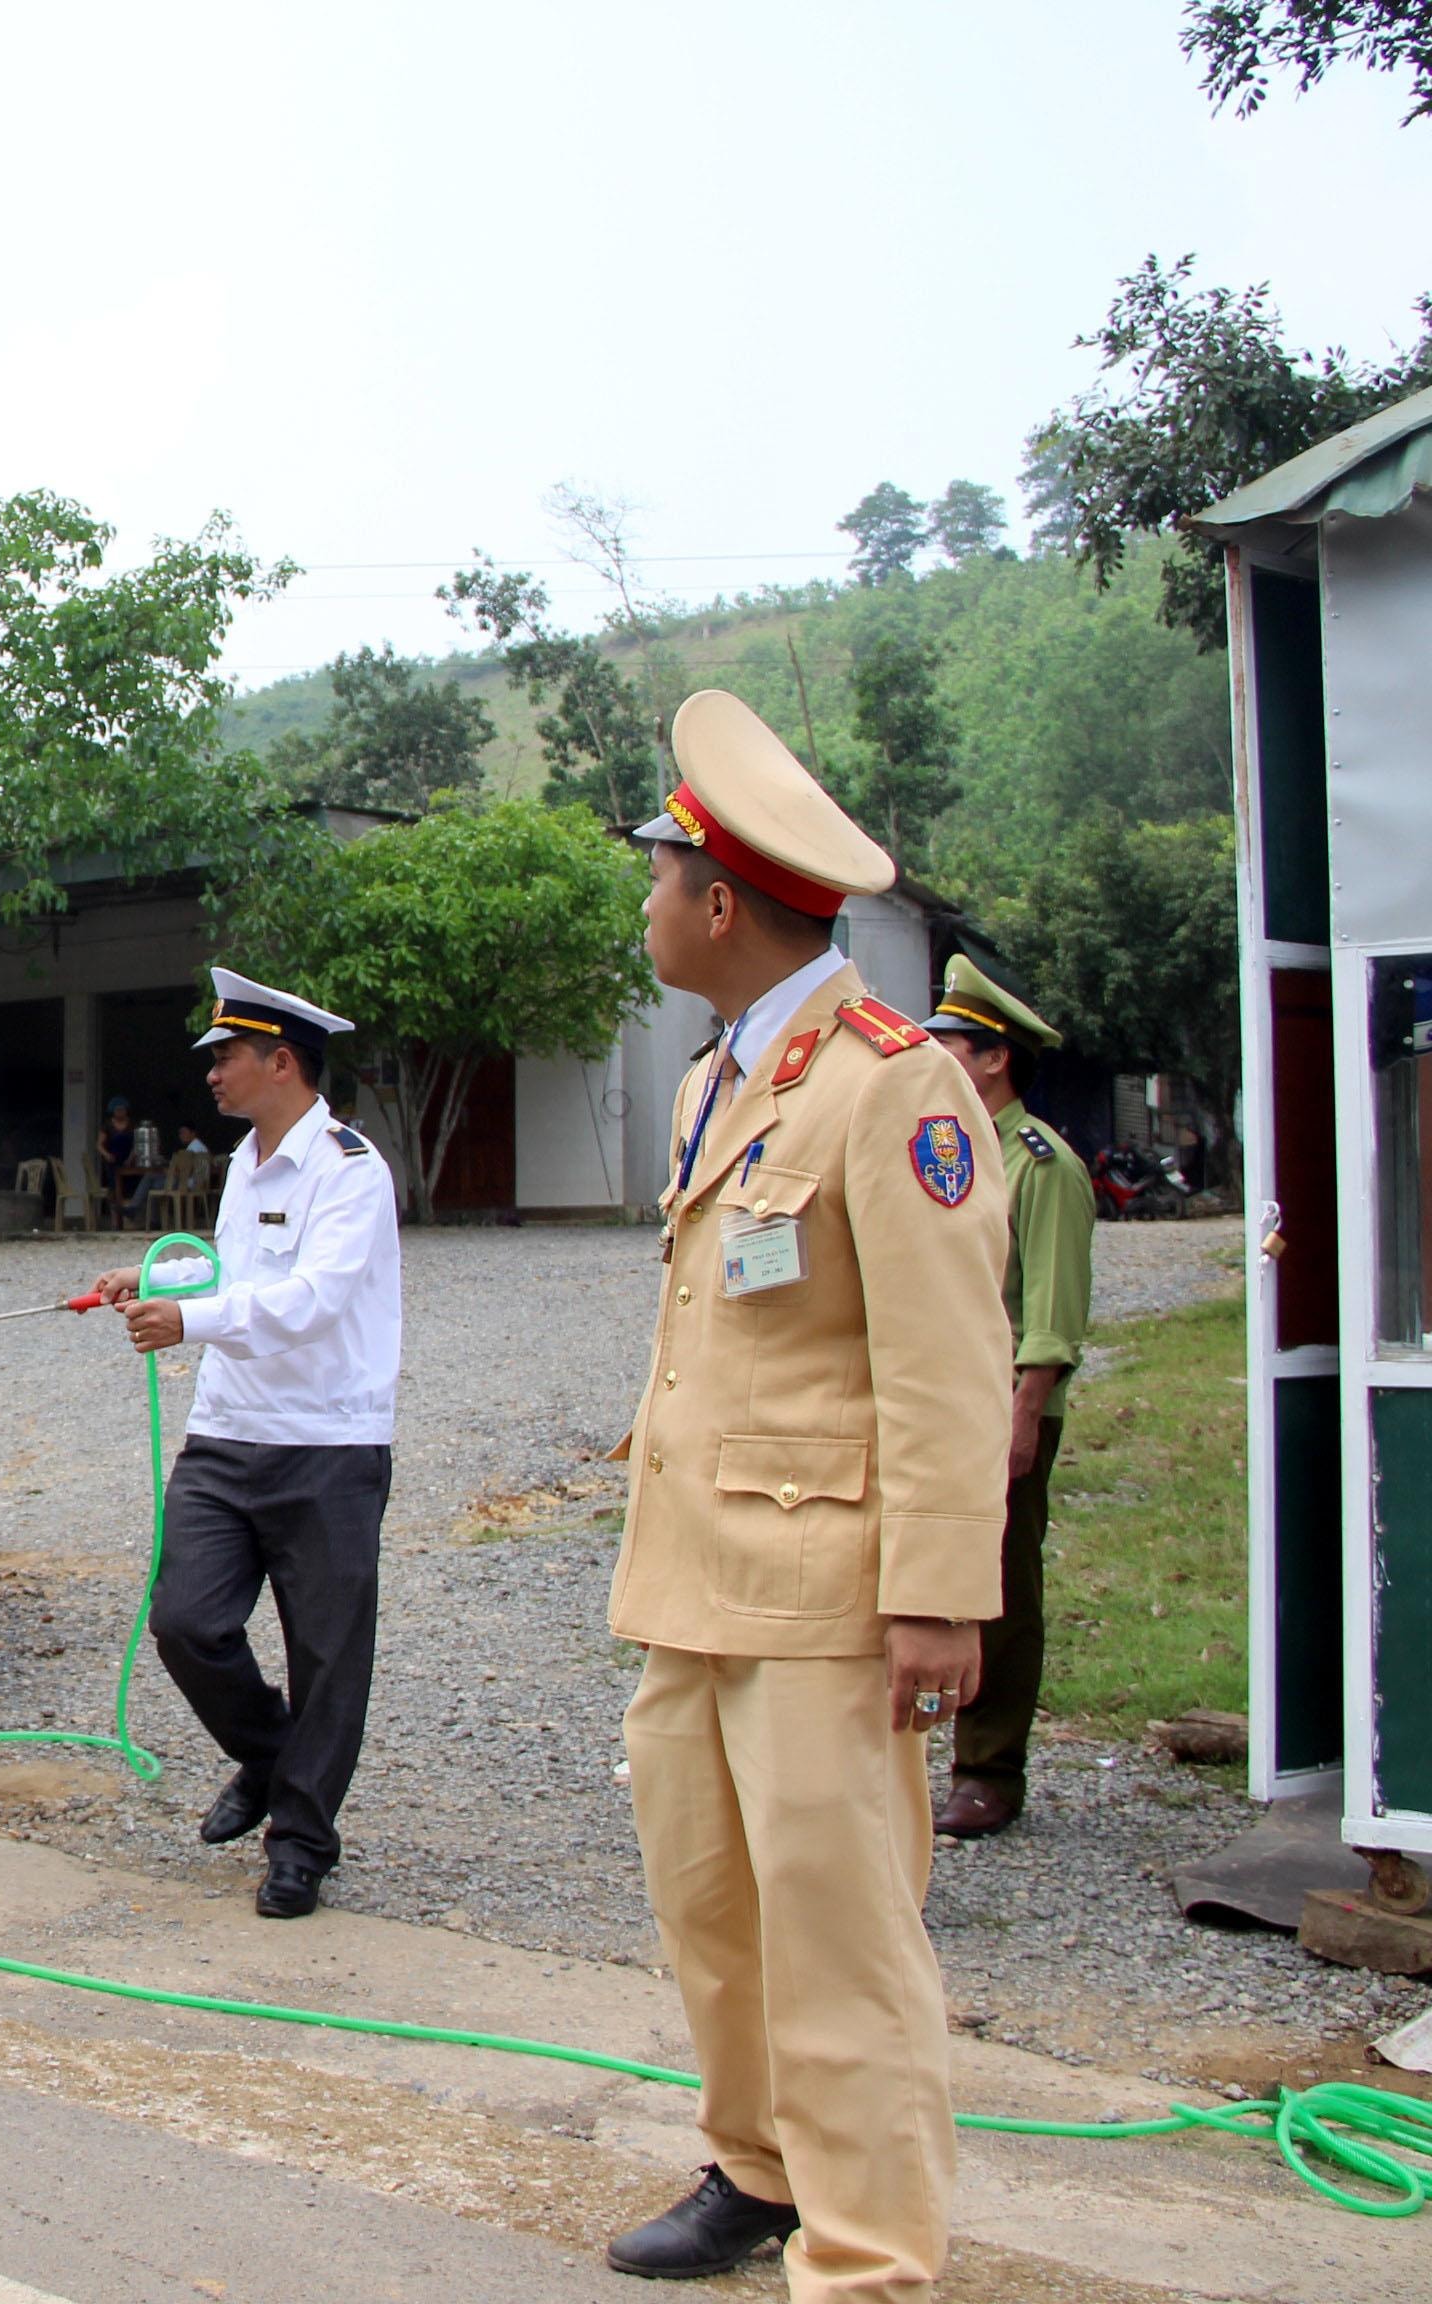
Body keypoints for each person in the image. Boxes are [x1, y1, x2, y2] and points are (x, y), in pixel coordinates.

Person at [602, 691, 1011, 2298]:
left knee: (842, 1943)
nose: (646, 908)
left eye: (657, 882)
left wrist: (938, 1598)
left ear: (717, 904)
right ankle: (759, 2173)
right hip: (696, 1582)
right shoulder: (729, 1074)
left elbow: (946, 1364)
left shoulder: (893, 1087)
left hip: (831, 1601)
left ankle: (869, 2256)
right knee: (711, 1913)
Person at [85, 967, 401, 1920]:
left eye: (226, 1057)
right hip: (226, 1435)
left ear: (282, 1061)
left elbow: (309, 1302)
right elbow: (235, 1269)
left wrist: (186, 1321)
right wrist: (153, 1274)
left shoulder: (352, 1172)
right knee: (186, 1621)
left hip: (327, 1444)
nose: (212, 1074)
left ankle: (303, 1841)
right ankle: (270, 1759)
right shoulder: (245, 1165)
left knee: (328, 1654)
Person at [920, 955, 1096, 1840]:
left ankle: (989, 1770)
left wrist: (1027, 1410)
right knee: (925, 1574)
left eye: (950, 1039)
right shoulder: (946, 1152)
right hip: (940, 1405)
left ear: (994, 1059)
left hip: (1004, 1405)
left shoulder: (1041, 1165)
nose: (933, 1049)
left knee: (999, 1590)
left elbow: (1054, 1311)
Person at [96, 1096, 140, 1228]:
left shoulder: (132, 1125)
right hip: (112, 1162)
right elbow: (99, 1145)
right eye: (117, 1110)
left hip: (129, 1162)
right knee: (114, 1191)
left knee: (130, 1189)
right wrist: (107, 1155)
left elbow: (136, 1144)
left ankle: (129, 1220)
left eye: (122, 1110)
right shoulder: (107, 1126)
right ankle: (115, 1221)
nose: (120, 1112)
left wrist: (131, 1158)